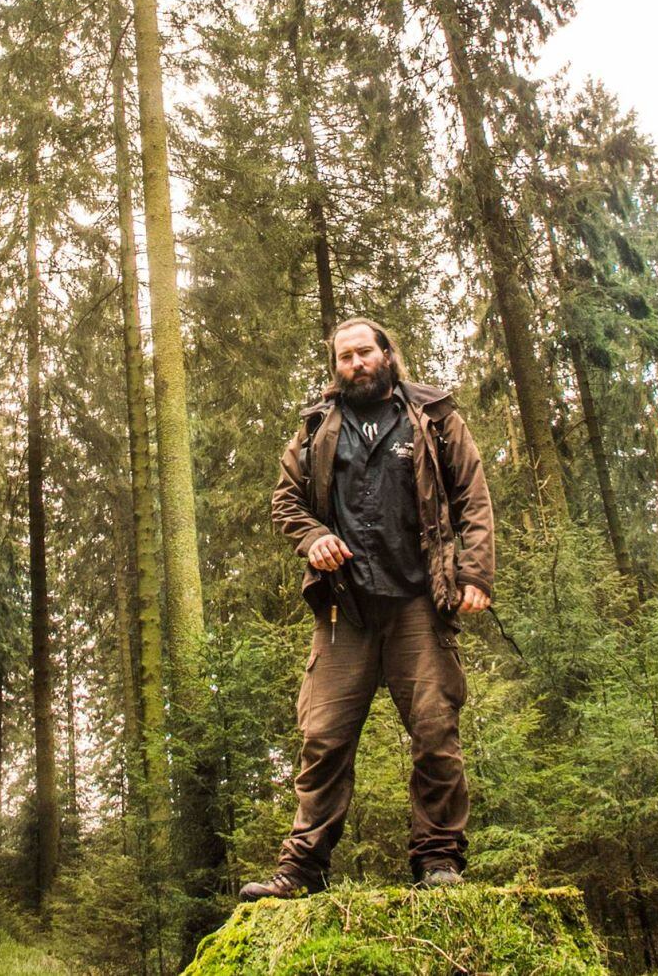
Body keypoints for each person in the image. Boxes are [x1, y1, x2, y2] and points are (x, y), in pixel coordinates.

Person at [240, 317, 495, 900]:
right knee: (323, 737)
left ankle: (438, 860)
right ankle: (302, 870)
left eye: (364, 353)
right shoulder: (315, 428)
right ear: (336, 367)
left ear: (387, 353)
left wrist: (475, 573)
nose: (355, 364)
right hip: (344, 610)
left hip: (417, 603)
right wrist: (312, 538)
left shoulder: (433, 417)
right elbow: (285, 500)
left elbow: (472, 497)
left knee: (435, 731)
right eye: (344, 357)